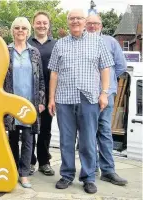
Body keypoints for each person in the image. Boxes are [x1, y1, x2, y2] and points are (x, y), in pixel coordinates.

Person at [47, 9, 114, 194]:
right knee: (66, 141)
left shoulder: (98, 42)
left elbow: (105, 69)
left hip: (89, 99)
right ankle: (67, 175)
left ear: (85, 22)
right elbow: (54, 73)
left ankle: (88, 177)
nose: (75, 21)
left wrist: (104, 93)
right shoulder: (60, 44)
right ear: (68, 22)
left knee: (88, 142)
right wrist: (51, 98)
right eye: (72, 18)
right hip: (64, 100)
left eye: (79, 18)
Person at [86, 14, 128, 185]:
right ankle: (91, 168)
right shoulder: (80, 42)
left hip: (106, 95)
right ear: (84, 25)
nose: (92, 26)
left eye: (96, 23)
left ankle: (108, 170)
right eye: (89, 24)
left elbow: (121, 66)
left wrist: (108, 85)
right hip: (86, 96)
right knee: (87, 134)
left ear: (101, 26)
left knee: (104, 132)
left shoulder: (111, 42)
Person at [4, 17, 46, 188]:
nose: (20, 31)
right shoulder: (5, 51)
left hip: (30, 103)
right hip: (10, 102)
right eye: (17, 28)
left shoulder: (34, 52)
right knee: (12, 139)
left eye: (24, 28)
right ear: (12, 31)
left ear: (28, 32)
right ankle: (13, 171)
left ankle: (24, 174)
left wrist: (41, 101)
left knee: (29, 140)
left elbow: (41, 79)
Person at [28, 11, 56, 176]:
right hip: (29, 93)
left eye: (44, 22)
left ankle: (44, 162)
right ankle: (29, 161)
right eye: (38, 22)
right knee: (29, 129)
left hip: (49, 93)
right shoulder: (27, 43)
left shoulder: (56, 44)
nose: (41, 25)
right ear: (33, 24)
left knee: (46, 129)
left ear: (48, 25)